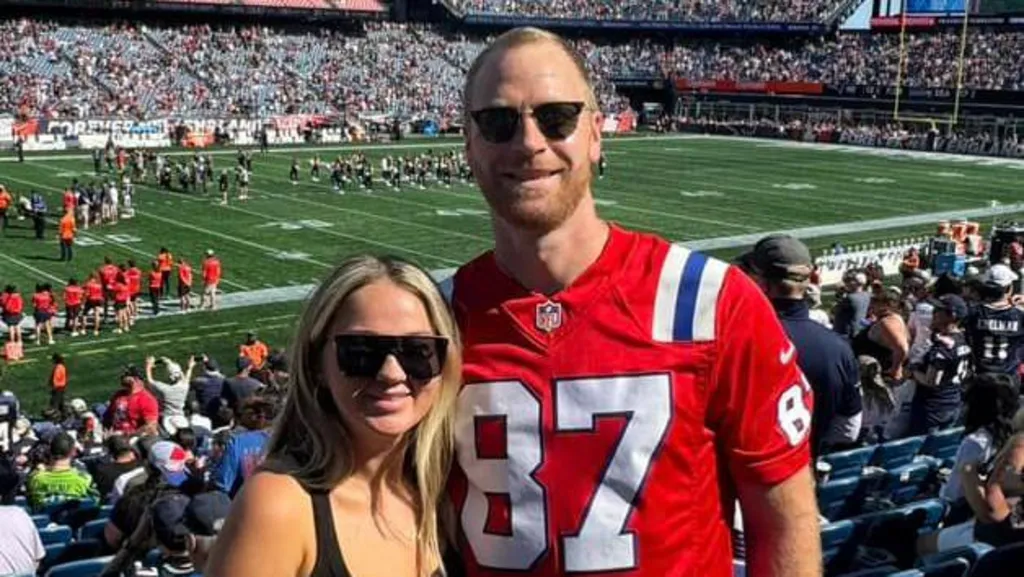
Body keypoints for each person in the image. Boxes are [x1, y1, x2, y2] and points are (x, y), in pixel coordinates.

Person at [447, 27, 819, 577]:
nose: (529, 144)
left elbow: (784, 524)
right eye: (499, 122)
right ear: (469, 144)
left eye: (557, 118)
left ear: (596, 134)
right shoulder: (433, 324)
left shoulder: (713, 303)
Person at [206, 255, 463, 577]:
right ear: (317, 364)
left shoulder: (447, 493)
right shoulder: (278, 506)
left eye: (418, 351)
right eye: (360, 352)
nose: (391, 372)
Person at [742, 235, 862, 457]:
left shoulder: (738, 336)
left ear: (763, 283)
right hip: (803, 475)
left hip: (738, 480)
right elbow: (848, 431)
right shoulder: (838, 347)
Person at [907, 295, 973, 436]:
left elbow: (931, 381)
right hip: (953, 402)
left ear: (951, 316)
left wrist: (912, 371)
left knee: (923, 452)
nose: (933, 313)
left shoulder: (942, 348)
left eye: (938, 310)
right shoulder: (963, 339)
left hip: (932, 408)